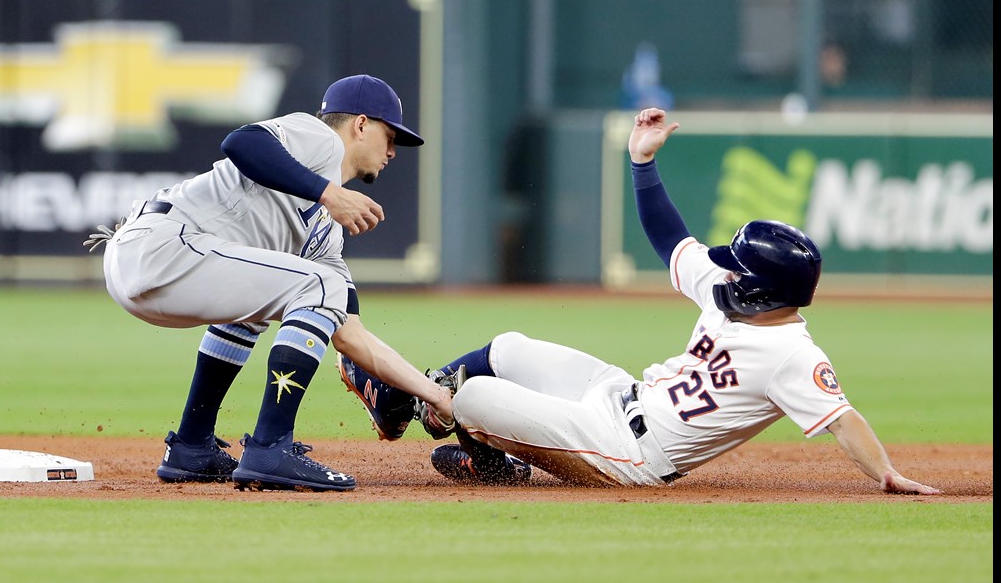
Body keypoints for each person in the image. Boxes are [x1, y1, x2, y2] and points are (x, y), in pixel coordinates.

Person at [343, 107, 940, 495]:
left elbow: (844, 421)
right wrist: (642, 161)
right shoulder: (731, 292)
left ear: (761, 288)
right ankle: (404, 406)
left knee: (475, 395)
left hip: (631, 455)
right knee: (509, 348)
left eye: (736, 269)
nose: (723, 271)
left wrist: (885, 472)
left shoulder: (791, 354)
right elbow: (669, 238)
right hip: (620, 394)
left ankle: (485, 455)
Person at [84, 74, 456, 492]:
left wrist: (433, 394)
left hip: (157, 262)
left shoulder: (325, 234)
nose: (392, 151)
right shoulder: (321, 139)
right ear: (361, 124)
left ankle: (192, 446)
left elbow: (349, 334)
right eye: (390, 136)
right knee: (318, 284)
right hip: (162, 245)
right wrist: (329, 194)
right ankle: (270, 448)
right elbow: (242, 143)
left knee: (286, 298)